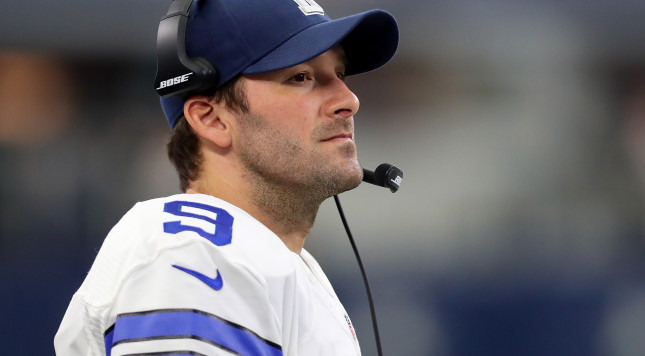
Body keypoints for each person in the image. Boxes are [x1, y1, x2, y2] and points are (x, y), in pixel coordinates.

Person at [54, 0, 398, 354]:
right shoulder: (195, 250)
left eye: (339, 75)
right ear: (212, 119)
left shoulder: (275, 263)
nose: (348, 100)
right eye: (300, 77)